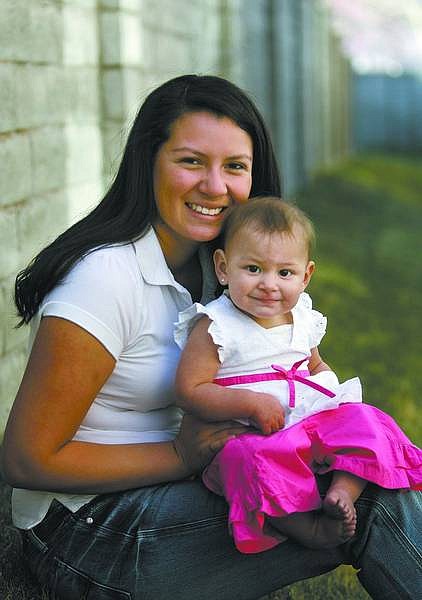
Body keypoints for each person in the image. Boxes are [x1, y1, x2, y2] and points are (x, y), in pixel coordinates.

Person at [1, 74, 421, 600]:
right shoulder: (104, 279)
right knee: (373, 499)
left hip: (186, 486)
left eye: (236, 167)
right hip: (89, 527)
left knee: (362, 465)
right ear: (148, 162)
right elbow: (24, 458)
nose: (216, 186)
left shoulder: (223, 271)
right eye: (192, 161)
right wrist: (180, 456)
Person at [174, 196, 422, 555]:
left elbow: (315, 364)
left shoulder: (301, 317)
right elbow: (189, 389)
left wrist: (329, 392)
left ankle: (343, 490)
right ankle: (310, 528)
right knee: (246, 463)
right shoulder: (217, 326)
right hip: (252, 433)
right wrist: (248, 402)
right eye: (253, 269)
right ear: (224, 268)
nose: (269, 284)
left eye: (284, 273)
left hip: (307, 422)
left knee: (367, 420)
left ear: (305, 276)